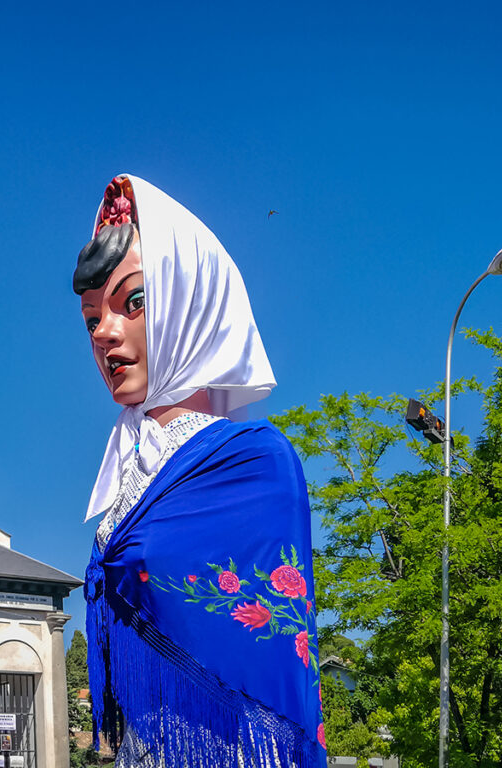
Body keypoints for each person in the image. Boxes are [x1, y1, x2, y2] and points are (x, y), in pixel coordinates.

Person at [75, 175, 325, 767]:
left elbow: (270, 663)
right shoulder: (126, 473)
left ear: (194, 303)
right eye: (90, 319)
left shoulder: (256, 464)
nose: (105, 333)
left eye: (132, 302)